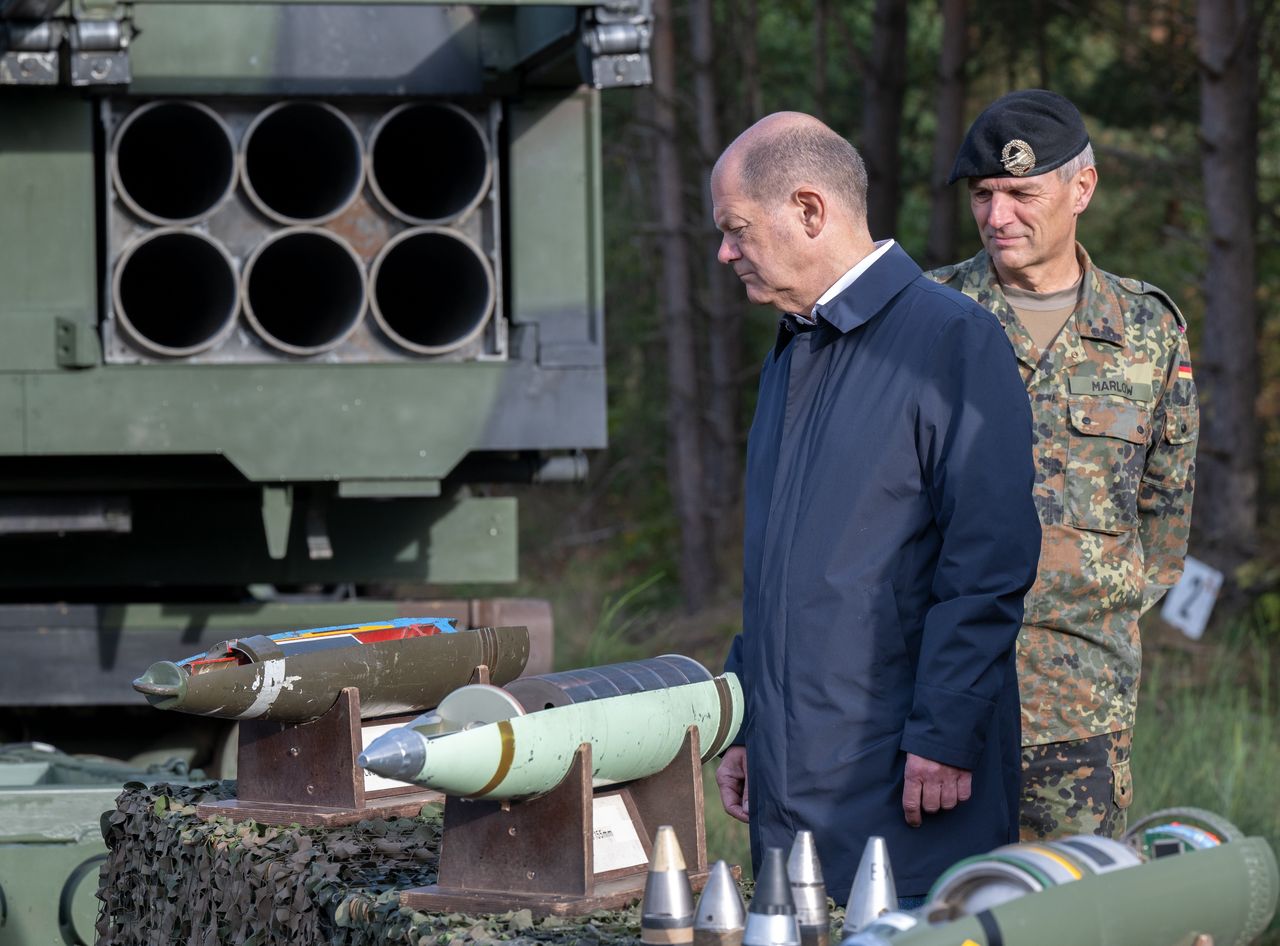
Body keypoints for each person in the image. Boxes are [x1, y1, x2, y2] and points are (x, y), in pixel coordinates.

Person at [711, 112, 1041, 904]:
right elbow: (784, 567)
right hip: (796, 779)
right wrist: (747, 713)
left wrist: (945, 729)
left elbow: (989, 561)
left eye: (735, 229)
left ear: (809, 210)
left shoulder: (951, 340)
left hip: (907, 781)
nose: (724, 252)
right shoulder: (795, 347)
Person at [928, 89, 1199, 841]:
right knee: (943, 908)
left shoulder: (1147, 330)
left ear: (1081, 189)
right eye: (983, 194)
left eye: (1021, 192)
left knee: (1076, 907)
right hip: (945, 700)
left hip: (1083, 702)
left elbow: (1165, 516)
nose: (997, 215)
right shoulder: (928, 316)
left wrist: (1084, 605)